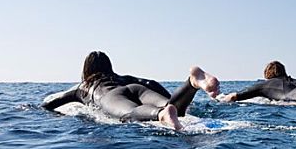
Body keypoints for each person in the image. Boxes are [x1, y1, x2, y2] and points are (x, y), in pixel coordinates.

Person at [41, 51, 220, 130]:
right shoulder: (122, 78)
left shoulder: (84, 87)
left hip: (111, 96)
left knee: (130, 113)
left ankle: (161, 114)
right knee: (173, 107)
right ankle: (192, 83)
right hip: (136, 89)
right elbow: (150, 82)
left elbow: (55, 103)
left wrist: (36, 108)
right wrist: (168, 99)